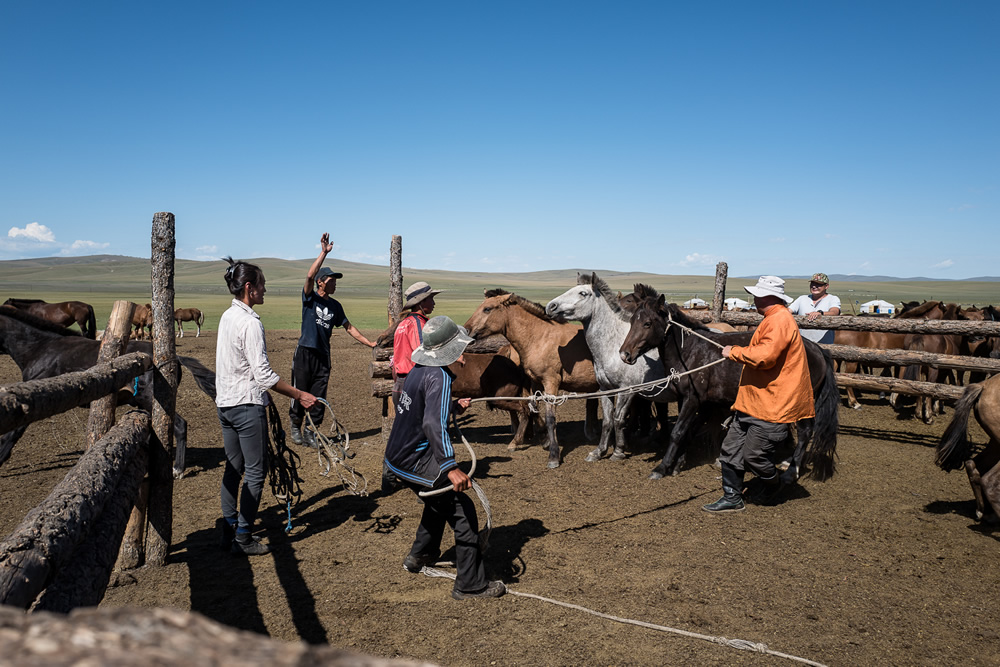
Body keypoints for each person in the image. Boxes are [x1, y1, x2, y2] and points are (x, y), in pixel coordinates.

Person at [384, 315, 506, 600]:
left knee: (437, 501)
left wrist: (452, 407)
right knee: (463, 510)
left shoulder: (420, 368)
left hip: (397, 457)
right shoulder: (439, 375)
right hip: (414, 460)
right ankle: (470, 585)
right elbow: (431, 424)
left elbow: (424, 407)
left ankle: (420, 556)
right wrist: (450, 467)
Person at [216, 257, 318, 555]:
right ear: (249, 288)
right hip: (247, 406)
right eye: (262, 286)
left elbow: (237, 366)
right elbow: (263, 375)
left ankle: (229, 525)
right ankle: (244, 537)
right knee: (256, 472)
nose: (265, 291)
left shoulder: (227, 317)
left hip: (226, 404)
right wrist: (299, 395)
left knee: (234, 467)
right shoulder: (250, 323)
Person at [704, 276, 815, 513]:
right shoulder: (772, 319)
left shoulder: (779, 321)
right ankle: (732, 496)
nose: (753, 299)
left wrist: (732, 351)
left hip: (771, 404)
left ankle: (774, 485)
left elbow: (764, 356)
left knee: (755, 456)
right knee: (731, 449)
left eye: (756, 295)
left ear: (767, 297)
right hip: (752, 401)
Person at [289, 233, 376, 448]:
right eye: (331, 280)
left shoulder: (335, 306)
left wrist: (370, 343)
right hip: (305, 353)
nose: (335, 284)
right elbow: (309, 277)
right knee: (300, 390)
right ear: (321, 282)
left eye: (335, 281)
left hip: (323, 356)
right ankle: (295, 426)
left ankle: (311, 431)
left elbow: (348, 327)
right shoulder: (310, 298)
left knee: (319, 395)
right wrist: (323, 253)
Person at [391, 281, 442, 409]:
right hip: (414, 383)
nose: (434, 303)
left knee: (406, 426)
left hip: (400, 383)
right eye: (431, 299)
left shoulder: (403, 323)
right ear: (421, 302)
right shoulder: (418, 323)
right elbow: (424, 353)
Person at [787, 272, 841, 344]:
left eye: (818, 284)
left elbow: (834, 312)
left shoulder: (833, 299)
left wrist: (821, 313)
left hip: (824, 346)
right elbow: (788, 311)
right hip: (803, 345)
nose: (814, 286)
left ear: (826, 286)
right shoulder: (802, 298)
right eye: (812, 283)